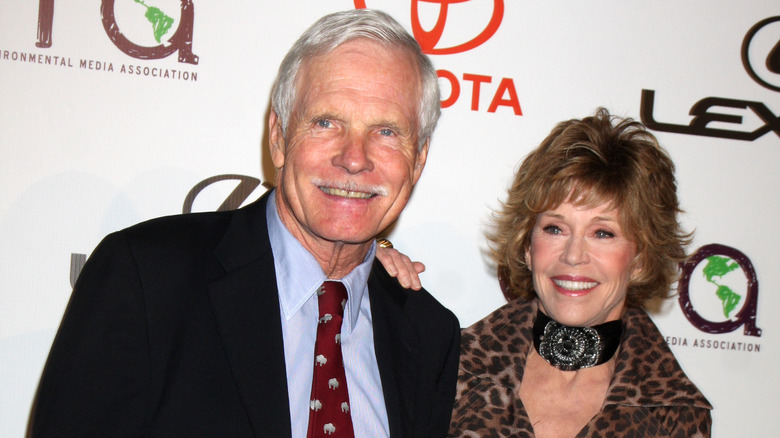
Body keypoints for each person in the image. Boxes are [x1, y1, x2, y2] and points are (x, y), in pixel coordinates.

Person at [30, 9, 460, 438]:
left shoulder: (427, 334)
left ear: (418, 158)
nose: (353, 158)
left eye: (386, 131)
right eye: (326, 123)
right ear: (278, 136)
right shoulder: (146, 279)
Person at [385, 108, 712, 436]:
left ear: (640, 257)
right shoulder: (449, 366)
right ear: (528, 245)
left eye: (603, 233)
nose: (573, 255)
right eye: (555, 228)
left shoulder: (676, 413)